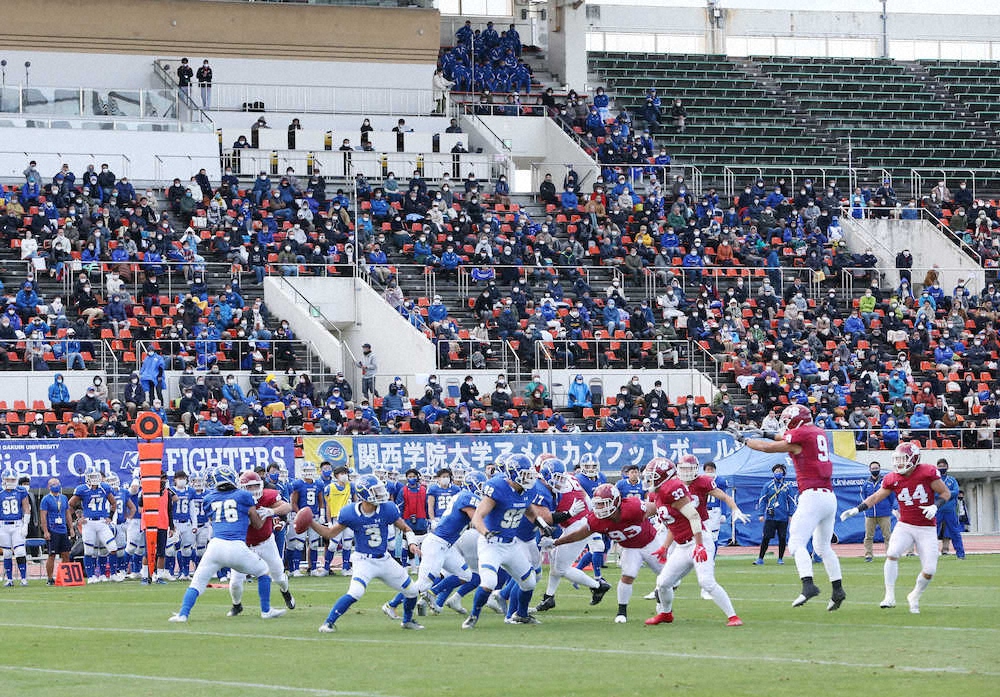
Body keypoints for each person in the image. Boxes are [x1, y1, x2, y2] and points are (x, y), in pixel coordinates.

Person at [739, 403, 846, 610]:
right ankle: (837, 589)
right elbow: (782, 438)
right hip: (829, 497)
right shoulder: (816, 432)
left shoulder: (802, 436)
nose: (786, 425)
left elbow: (767, 448)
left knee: (796, 543)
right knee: (823, 547)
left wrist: (744, 440)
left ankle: (808, 585)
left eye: (787, 421)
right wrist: (764, 432)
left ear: (795, 421)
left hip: (812, 496)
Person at [841, 442, 950, 613]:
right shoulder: (892, 478)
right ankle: (889, 596)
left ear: (913, 459)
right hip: (905, 525)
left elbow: (946, 493)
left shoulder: (927, 472)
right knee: (891, 554)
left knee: (929, 570)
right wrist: (857, 509)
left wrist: (935, 506)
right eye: (897, 460)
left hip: (926, 528)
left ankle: (914, 595)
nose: (899, 463)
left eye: (903, 459)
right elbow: (876, 496)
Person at [169, 465, 286, 622]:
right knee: (263, 571)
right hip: (237, 546)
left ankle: (183, 614)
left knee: (197, 581)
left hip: (215, 546)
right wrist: (264, 514)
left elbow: (214, 519)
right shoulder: (244, 495)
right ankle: (266, 610)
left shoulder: (209, 499)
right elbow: (257, 525)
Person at [310, 474, 423, 633]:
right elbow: (329, 534)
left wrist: (411, 542)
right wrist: (311, 522)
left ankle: (407, 621)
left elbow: (405, 528)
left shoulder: (387, 508)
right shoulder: (350, 513)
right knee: (356, 592)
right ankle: (328, 623)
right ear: (364, 494)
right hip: (364, 560)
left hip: (384, 559)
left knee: (411, 591)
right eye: (375, 491)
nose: (380, 493)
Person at [645, 457, 743, 627]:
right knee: (663, 583)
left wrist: (699, 545)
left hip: (699, 539)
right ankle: (665, 614)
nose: (650, 480)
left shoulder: (672, 489)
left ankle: (733, 617)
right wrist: (664, 547)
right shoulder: (659, 493)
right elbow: (673, 525)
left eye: (654, 476)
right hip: (683, 545)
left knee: (706, 582)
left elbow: (694, 515)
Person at [384, 470, 483, 618]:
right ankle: (391, 605)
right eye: (480, 485)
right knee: (422, 583)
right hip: (436, 544)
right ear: (473, 485)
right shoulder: (467, 497)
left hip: (447, 546)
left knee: (466, 575)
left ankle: (431, 594)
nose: (482, 489)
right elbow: (476, 521)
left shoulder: (461, 495)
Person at [461, 454, 544, 628]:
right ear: (513, 474)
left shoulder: (528, 490)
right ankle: (473, 615)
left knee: (529, 582)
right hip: (491, 543)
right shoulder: (498, 487)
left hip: (511, 544)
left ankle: (521, 615)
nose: (529, 477)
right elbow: (477, 516)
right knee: (489, 582)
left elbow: (528, 510)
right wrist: (485, 532)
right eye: (525, 474)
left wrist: (541, 524)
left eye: (530, 474)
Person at [534, 459, 607, 613]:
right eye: (557, 478)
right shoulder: (571, 478)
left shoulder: (549, 486)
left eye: (560, 477)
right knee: (555, 562)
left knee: (561, 568)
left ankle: (598, 586)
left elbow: (548, 516)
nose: (560, 481)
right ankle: (549, 597)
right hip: (582, 520)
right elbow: (586, 498)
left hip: (577, 524)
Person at [227, 471, 295, 617]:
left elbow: (287, 507)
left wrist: (272, 511)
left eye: (255, 486)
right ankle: (237, 605)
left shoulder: (268, 495)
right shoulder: (235, 499)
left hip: (265, 542)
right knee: (235, 582)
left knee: (279, 576)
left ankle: (285, 592)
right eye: (249, 487)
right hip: (243, 545)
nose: (253, 490)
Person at [68, 466, 119, 584]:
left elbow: (113, 503)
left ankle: (113, 574)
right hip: (89, 523)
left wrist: (110, 517)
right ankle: (91, 576)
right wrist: (79, 518)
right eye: (92, 477)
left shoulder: (105, 487)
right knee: (89, 551)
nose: (95, 479)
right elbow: (70, 504)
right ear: (87, 478)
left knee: (113, 548)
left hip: (102, 522)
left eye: (96, 476)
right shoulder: (82, 489)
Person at [754, 463, 796, 565]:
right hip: (770, 516)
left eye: (780, 471)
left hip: (783, 517)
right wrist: (760, 514)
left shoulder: (787, 487)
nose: (778, 473)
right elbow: (762, 500)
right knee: (766, 538)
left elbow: (792, 502)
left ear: (784, 474)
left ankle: (780, 558)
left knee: (782, 538)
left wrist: (791, 515)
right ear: (773, 473)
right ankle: (760, 558)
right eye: (776, 471)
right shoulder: (768, 485)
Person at [288, 463, 326, 576]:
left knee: (314, 544)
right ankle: (296, 569)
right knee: (299, 544)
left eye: (310, 469)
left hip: (314, 517)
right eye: (306, 470)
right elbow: (293, 502)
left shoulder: (319, 483)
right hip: (301, 517)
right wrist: (300, 514)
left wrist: (322, 514)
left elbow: (321, 501)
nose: (309, 472)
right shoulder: (298, 484)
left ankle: (313, 569)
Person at [0, 469, 32, 586]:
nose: (11, 481)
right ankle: (9, 579)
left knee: (20, 551)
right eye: (9, 479)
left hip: (17, 524)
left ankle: (23, 578)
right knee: (7, 553)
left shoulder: (21, 490)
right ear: (4, 479)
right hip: (3, 525)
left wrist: (25, 525)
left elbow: (26, 508)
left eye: (13, 479)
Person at [860, 460, 895, 562]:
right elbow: (863, 497)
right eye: (873, 468)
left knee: (887, 535)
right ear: (870, 470)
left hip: (884, 513)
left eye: (876, 468)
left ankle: (890, 555)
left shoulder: (885, 482)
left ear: (879, 469)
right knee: (868, 536)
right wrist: (867, 507)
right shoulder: (866, 483)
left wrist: (888, 507)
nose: (875, 470)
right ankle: (868, 555)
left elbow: (891, 496)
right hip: (870, 514)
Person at [39, 477, 72, 585]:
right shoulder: (46, 499)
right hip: (52, 529)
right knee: (52, 555)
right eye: (53, 484)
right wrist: (45, 531)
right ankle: (49, 578)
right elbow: (43, 516)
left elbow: (67, 514)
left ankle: (64, 576)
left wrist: (71, 528)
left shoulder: (64, 498)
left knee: (66, 554)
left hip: (63, 530)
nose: (55, 485)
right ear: (49, 486)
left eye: (57, 483)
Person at [934, 458, 964, 559]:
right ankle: (931, 555)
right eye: (940, 466)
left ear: (947, 467)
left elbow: (956, 492)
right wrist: (946, 493)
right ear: (937, 468)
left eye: (943, 466)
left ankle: (960, 554)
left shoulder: (952, 480)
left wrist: (945, 493)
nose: (942, 468)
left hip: (950, 511)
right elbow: (933, 493)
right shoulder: (934, 480)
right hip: (937, 510)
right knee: (932, 533)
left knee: (955, 532)